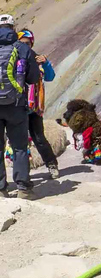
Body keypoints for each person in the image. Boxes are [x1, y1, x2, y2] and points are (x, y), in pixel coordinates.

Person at [0, 15, 41, 199]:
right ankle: (23, 188)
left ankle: (1, 189)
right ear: (13, 27)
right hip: (17, 105)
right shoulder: (23, 48)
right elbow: (33, 78)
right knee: (19, 147)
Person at [17, 29, 59, 179]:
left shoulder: (38, 59)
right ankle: (22, 173)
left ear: (32, 43)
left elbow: (50, 77)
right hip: (18, 106)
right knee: (19, 142)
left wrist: (46, 64)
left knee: (39, 139)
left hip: (34, 108)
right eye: (21, 43)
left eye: (27, 43)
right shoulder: (14, 58)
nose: (25, 46)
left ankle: (52, 165)